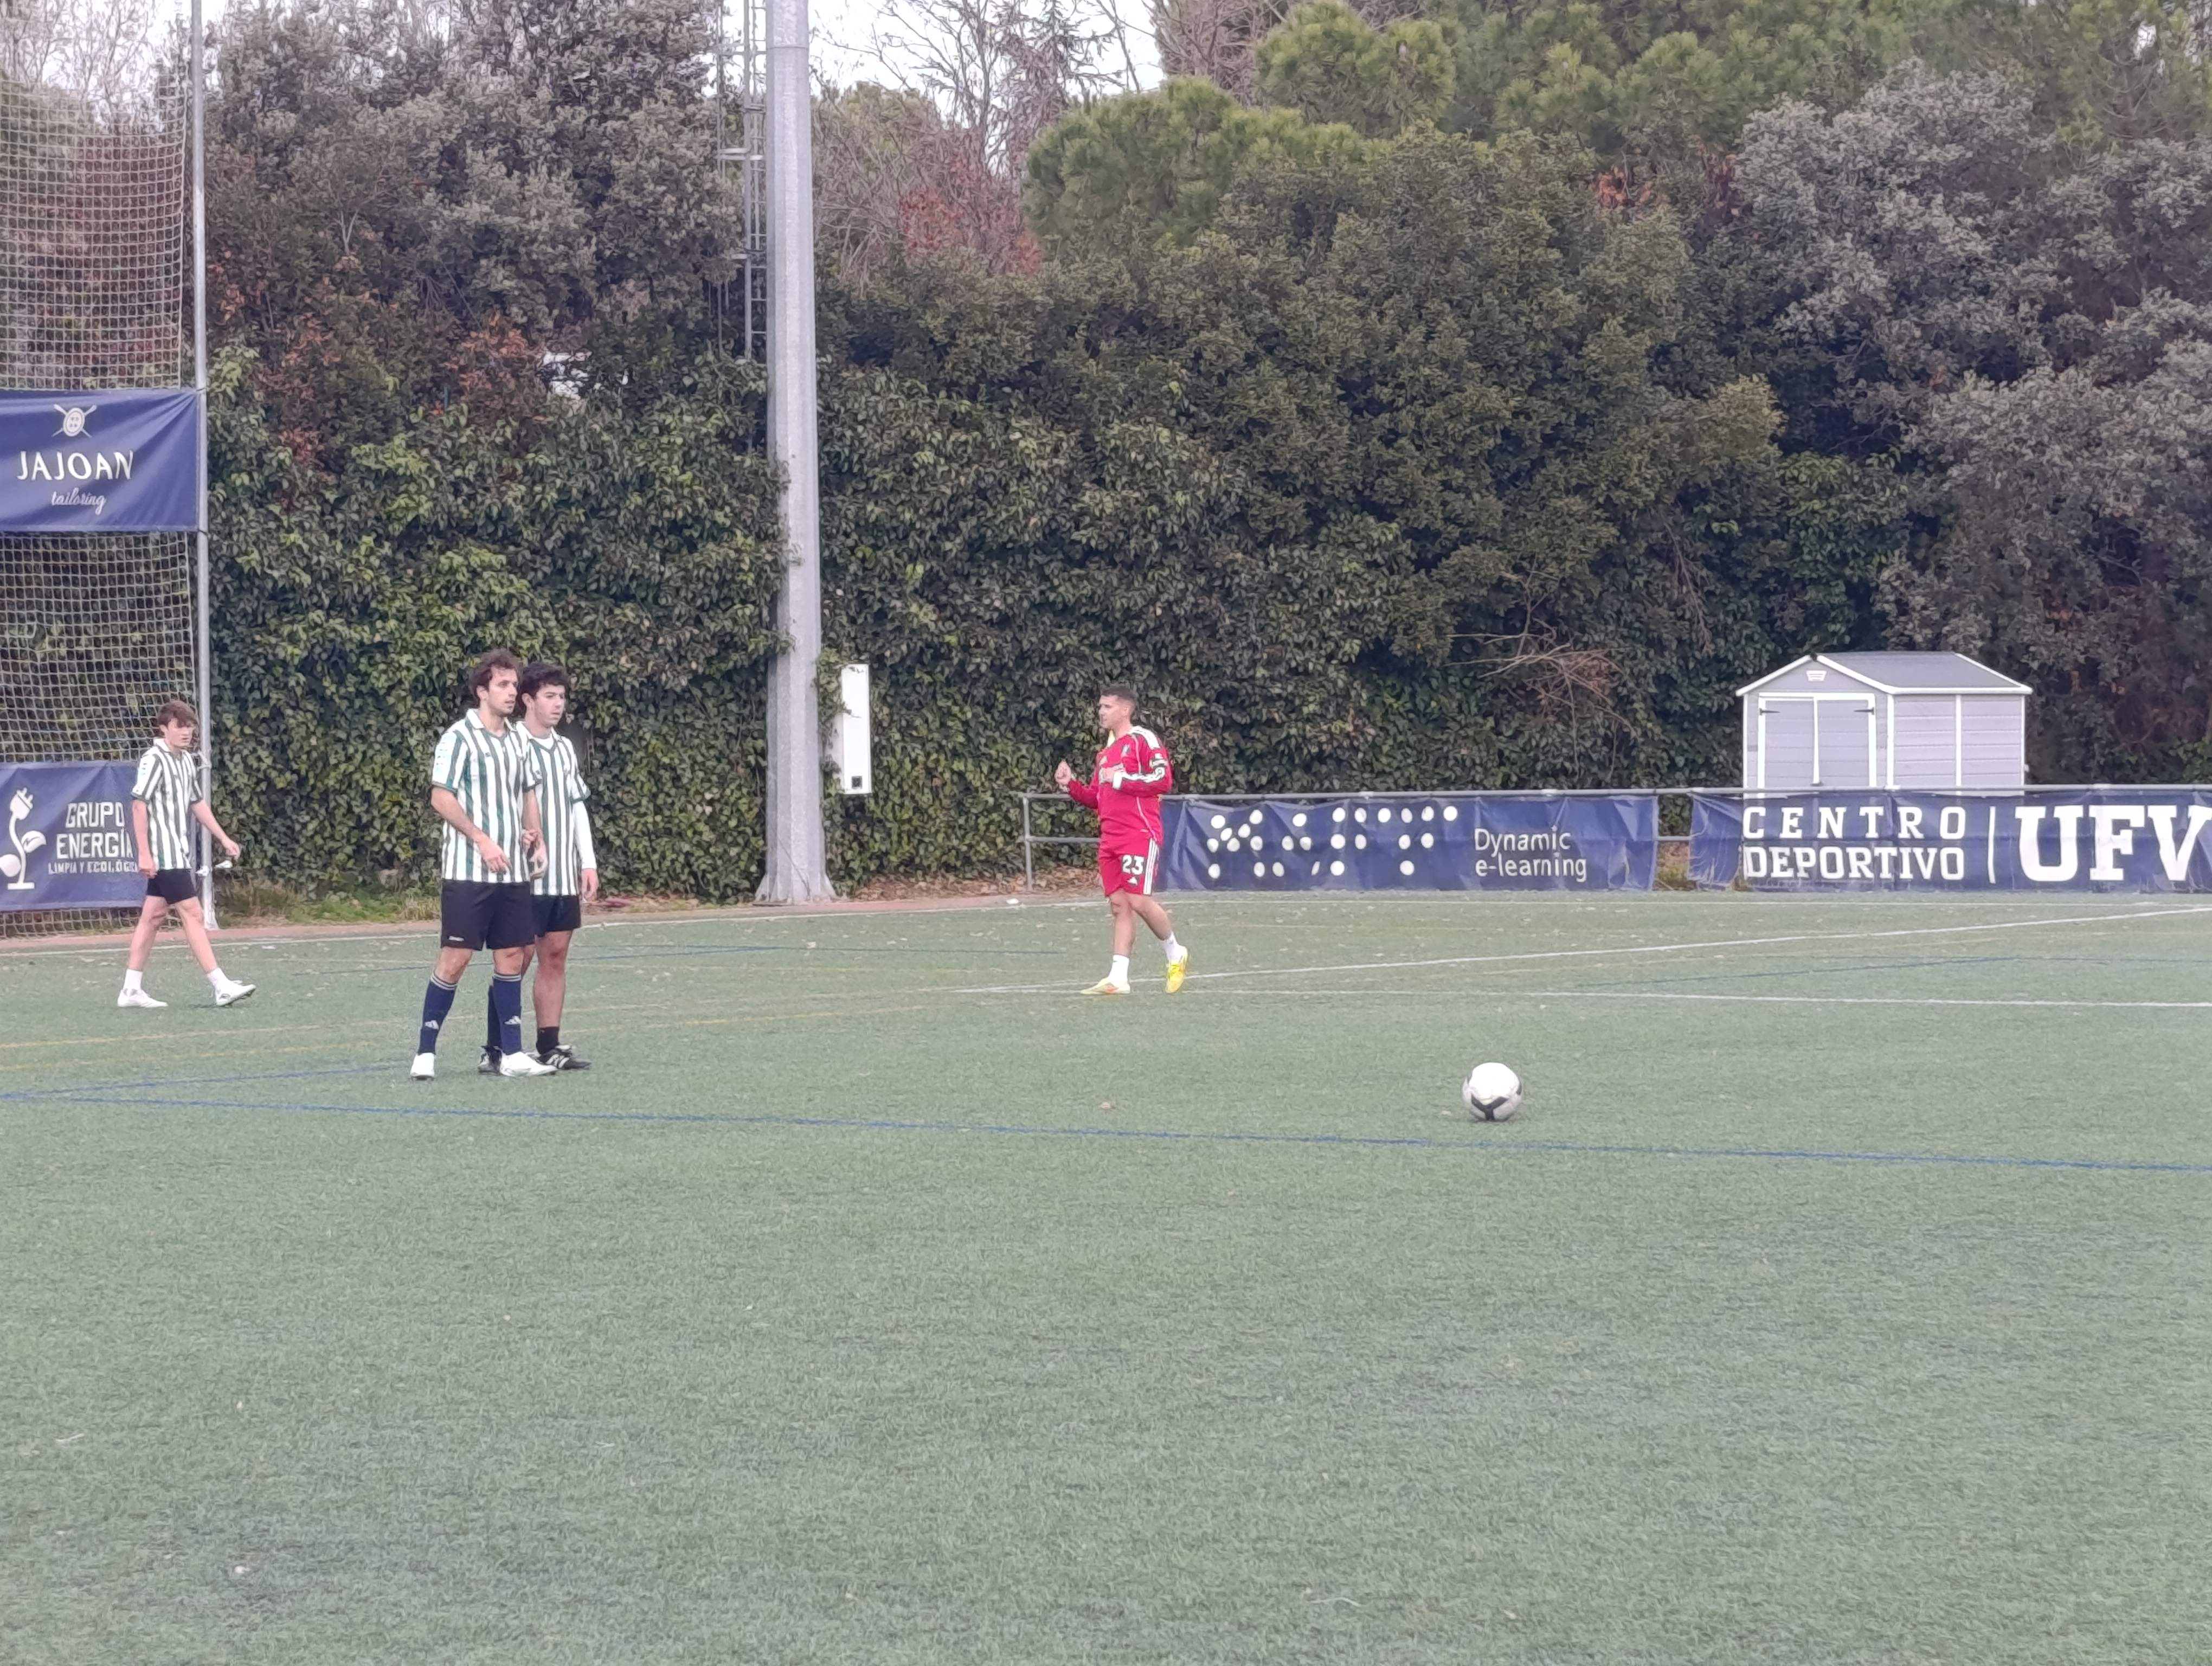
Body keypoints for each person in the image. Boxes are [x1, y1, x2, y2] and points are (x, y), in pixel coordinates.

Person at [410, 650, 557, 1080]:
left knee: (512, 956)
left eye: (514, 685)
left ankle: (510, 1054)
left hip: (513, 873)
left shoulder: (518, 741)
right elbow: (441, 797)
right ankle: (425, 1053)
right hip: (468, 872)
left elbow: (527, 792)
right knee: (455, 959)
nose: (512, 692)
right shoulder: (458, 738)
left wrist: (535, 836)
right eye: (503, 685)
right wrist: (482, 839)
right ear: (482, 691)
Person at [480, 661, 598, 1072]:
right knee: (517, 957)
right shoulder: (511, 743)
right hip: (524, 876)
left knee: (556, 955)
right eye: (550, 696)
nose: (558, 704)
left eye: (562, 697)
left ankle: (549, 1045)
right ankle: (495, 1048)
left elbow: (577, 806)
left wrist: (588, 863)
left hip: (562, 875)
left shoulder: (564, 748)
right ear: (528, 700)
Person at [117, 701, 254, 1009]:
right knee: (192, 913)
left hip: (178, 853)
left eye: (190, 726)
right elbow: (138, 806)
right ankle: (220, 986)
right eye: (179, 726)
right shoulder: (154, 760)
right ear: (164, 728)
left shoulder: (186, 762)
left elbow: (197, 802)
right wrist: (145, 854)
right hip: (163, 855)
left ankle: (131, 990)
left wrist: (223, 837)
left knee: (152, 918)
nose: (186, 732)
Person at [1054, 685, 1189, 996]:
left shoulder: (1143, 739)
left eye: (1107, 707)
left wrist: (1119, 778)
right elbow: (1097, 798)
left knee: (1139, 900)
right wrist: (1070, 785)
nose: (1101, 712)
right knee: (1119, 905)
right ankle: (1118, 978)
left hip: (1138, 833)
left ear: (1125, 710)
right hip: (1110, 838)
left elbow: (1163, 780)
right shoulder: (1105, 754)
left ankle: (1175, 952)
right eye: (1100, 707)